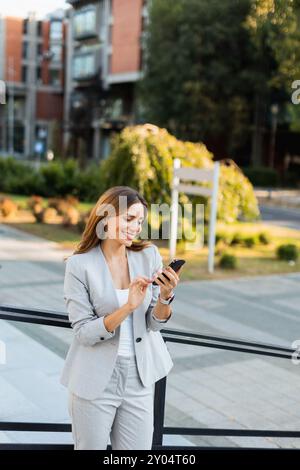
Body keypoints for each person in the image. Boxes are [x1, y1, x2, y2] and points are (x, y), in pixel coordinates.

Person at [60, 185, 182, 450]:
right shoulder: (79, 266)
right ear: (105, 217)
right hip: (94, 379)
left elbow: (153, 322)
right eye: (129, 219)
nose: (136, 227)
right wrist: (127, 307)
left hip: (139, 377)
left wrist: (164, 296)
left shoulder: (147, 255)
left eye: (140, 221)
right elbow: (83, 332)